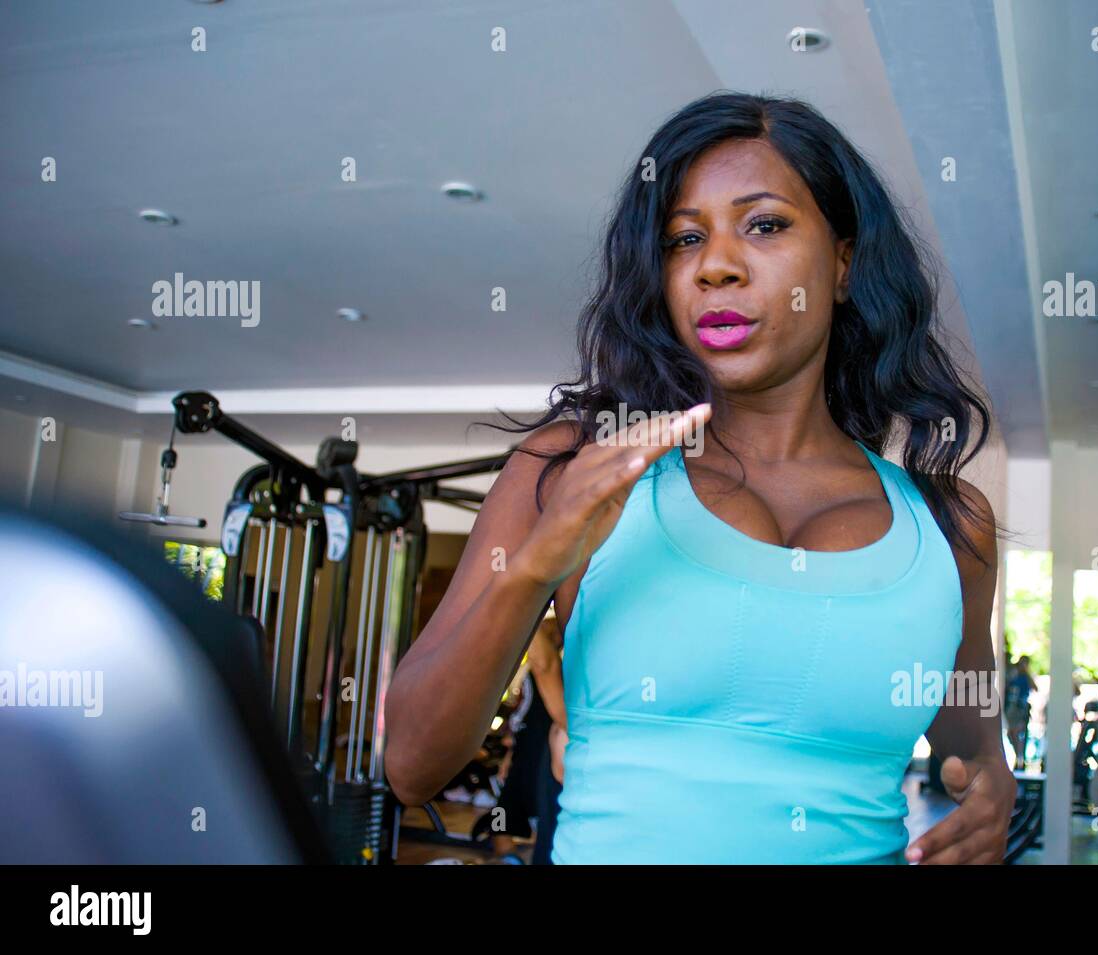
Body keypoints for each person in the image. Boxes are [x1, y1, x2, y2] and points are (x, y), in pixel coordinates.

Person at [385, 91, 1016, 864]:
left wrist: (994, 786)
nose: (716, 265)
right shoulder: (572, 470)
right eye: (685, 239)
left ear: (844, 263)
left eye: (765, 224)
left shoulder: (950, 528)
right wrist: (538, 565)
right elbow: (412, 764)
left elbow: (972, 743)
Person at [485, 621, 565, 864]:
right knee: (500, 815)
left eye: (552, 631)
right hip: (522, 748)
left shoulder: (556, 671)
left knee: (545, 814)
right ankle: (507, 855)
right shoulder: (529, 671)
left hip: (542, 753)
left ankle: (534, 853)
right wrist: (508, 757)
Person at [1004, 657, 1036, 771]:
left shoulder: (1026, 677)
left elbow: (1034, 688)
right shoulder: (1014, 674)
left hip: (1020, 708)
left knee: (1017, 733)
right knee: (1011, 733)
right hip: (1012, 707)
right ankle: (1018, 756)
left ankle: (1020, 759)